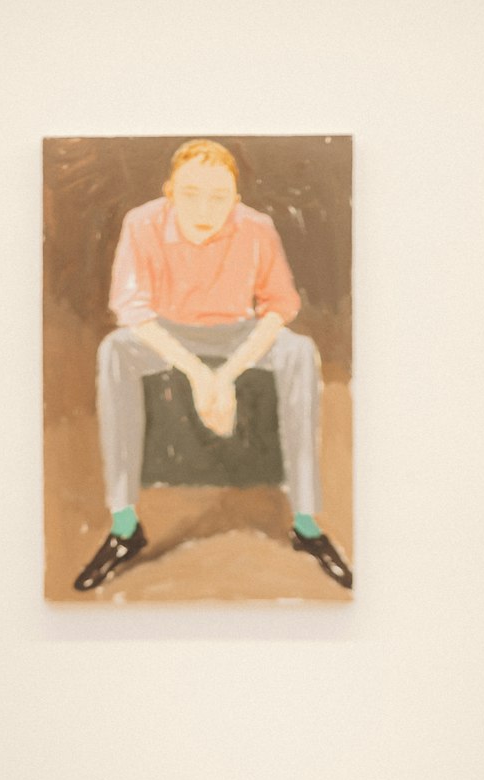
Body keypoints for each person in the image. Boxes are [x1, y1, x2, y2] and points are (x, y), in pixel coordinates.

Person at [73, 139, 352, 593]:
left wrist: (225, 374)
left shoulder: (256, 228)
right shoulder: (141, 224)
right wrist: (200, 376)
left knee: (299, 351)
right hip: (166, 332)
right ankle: (125, 526)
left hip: (235, 334)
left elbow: (280, 305)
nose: (205, 207)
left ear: (236, 200)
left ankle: (306, 522)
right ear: (169, 192)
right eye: (191, 193)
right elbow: (131, 308)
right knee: (115, 351)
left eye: (219, 196)